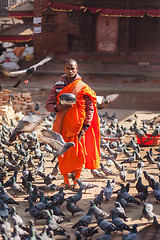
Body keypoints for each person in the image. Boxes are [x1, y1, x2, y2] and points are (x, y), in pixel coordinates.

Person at [45, 58, 100, 190]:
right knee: (63, 152)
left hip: (78, 126)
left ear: (77, 69)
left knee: (78, 153)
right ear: (64, 69)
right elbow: (48, 105)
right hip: (62, 124)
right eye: (67, 68)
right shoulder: (58, 85)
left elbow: (90, 108)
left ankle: (77, 181)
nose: (70, 71)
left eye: (73, 68)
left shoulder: (83, 87)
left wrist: (85, 127)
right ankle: (65, 181)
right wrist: (58, 108)